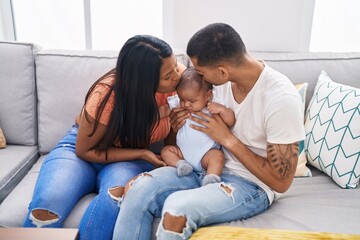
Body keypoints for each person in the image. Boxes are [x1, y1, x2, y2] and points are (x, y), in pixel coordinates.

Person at [113, 23, 305, 240]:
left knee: (177, 209)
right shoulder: (213, 83)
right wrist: (175, 127)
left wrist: (228, 139)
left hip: (249, 185)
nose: (196, 76)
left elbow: (281, 182)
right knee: (137, 190)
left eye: (201, 72)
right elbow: (184, 138)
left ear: (222, 71)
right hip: (198, 169)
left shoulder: (281, 100)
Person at [22, 35, 186, 240]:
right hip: (79, 151)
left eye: (174, 69)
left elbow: (172, 136)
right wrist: (143, 152)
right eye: (168, 75)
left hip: (126, 159)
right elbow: (84, 150)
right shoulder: (106, 97)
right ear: (143, 81)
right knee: (48, 204)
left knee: (113, 199)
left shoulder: (177, 82)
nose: (176, 76)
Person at [162, 67, 235, 186]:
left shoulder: (213, 104)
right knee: (166, 151)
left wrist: (222, 110)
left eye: (192, 101)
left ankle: (211, 177)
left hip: (206, 154)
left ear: (207, 95)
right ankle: (180, 164)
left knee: (217, 156)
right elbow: (163, 110)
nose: (186, 104)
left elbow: (230, 121)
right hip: (182, 153)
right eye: (182, 99)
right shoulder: (178, 105)